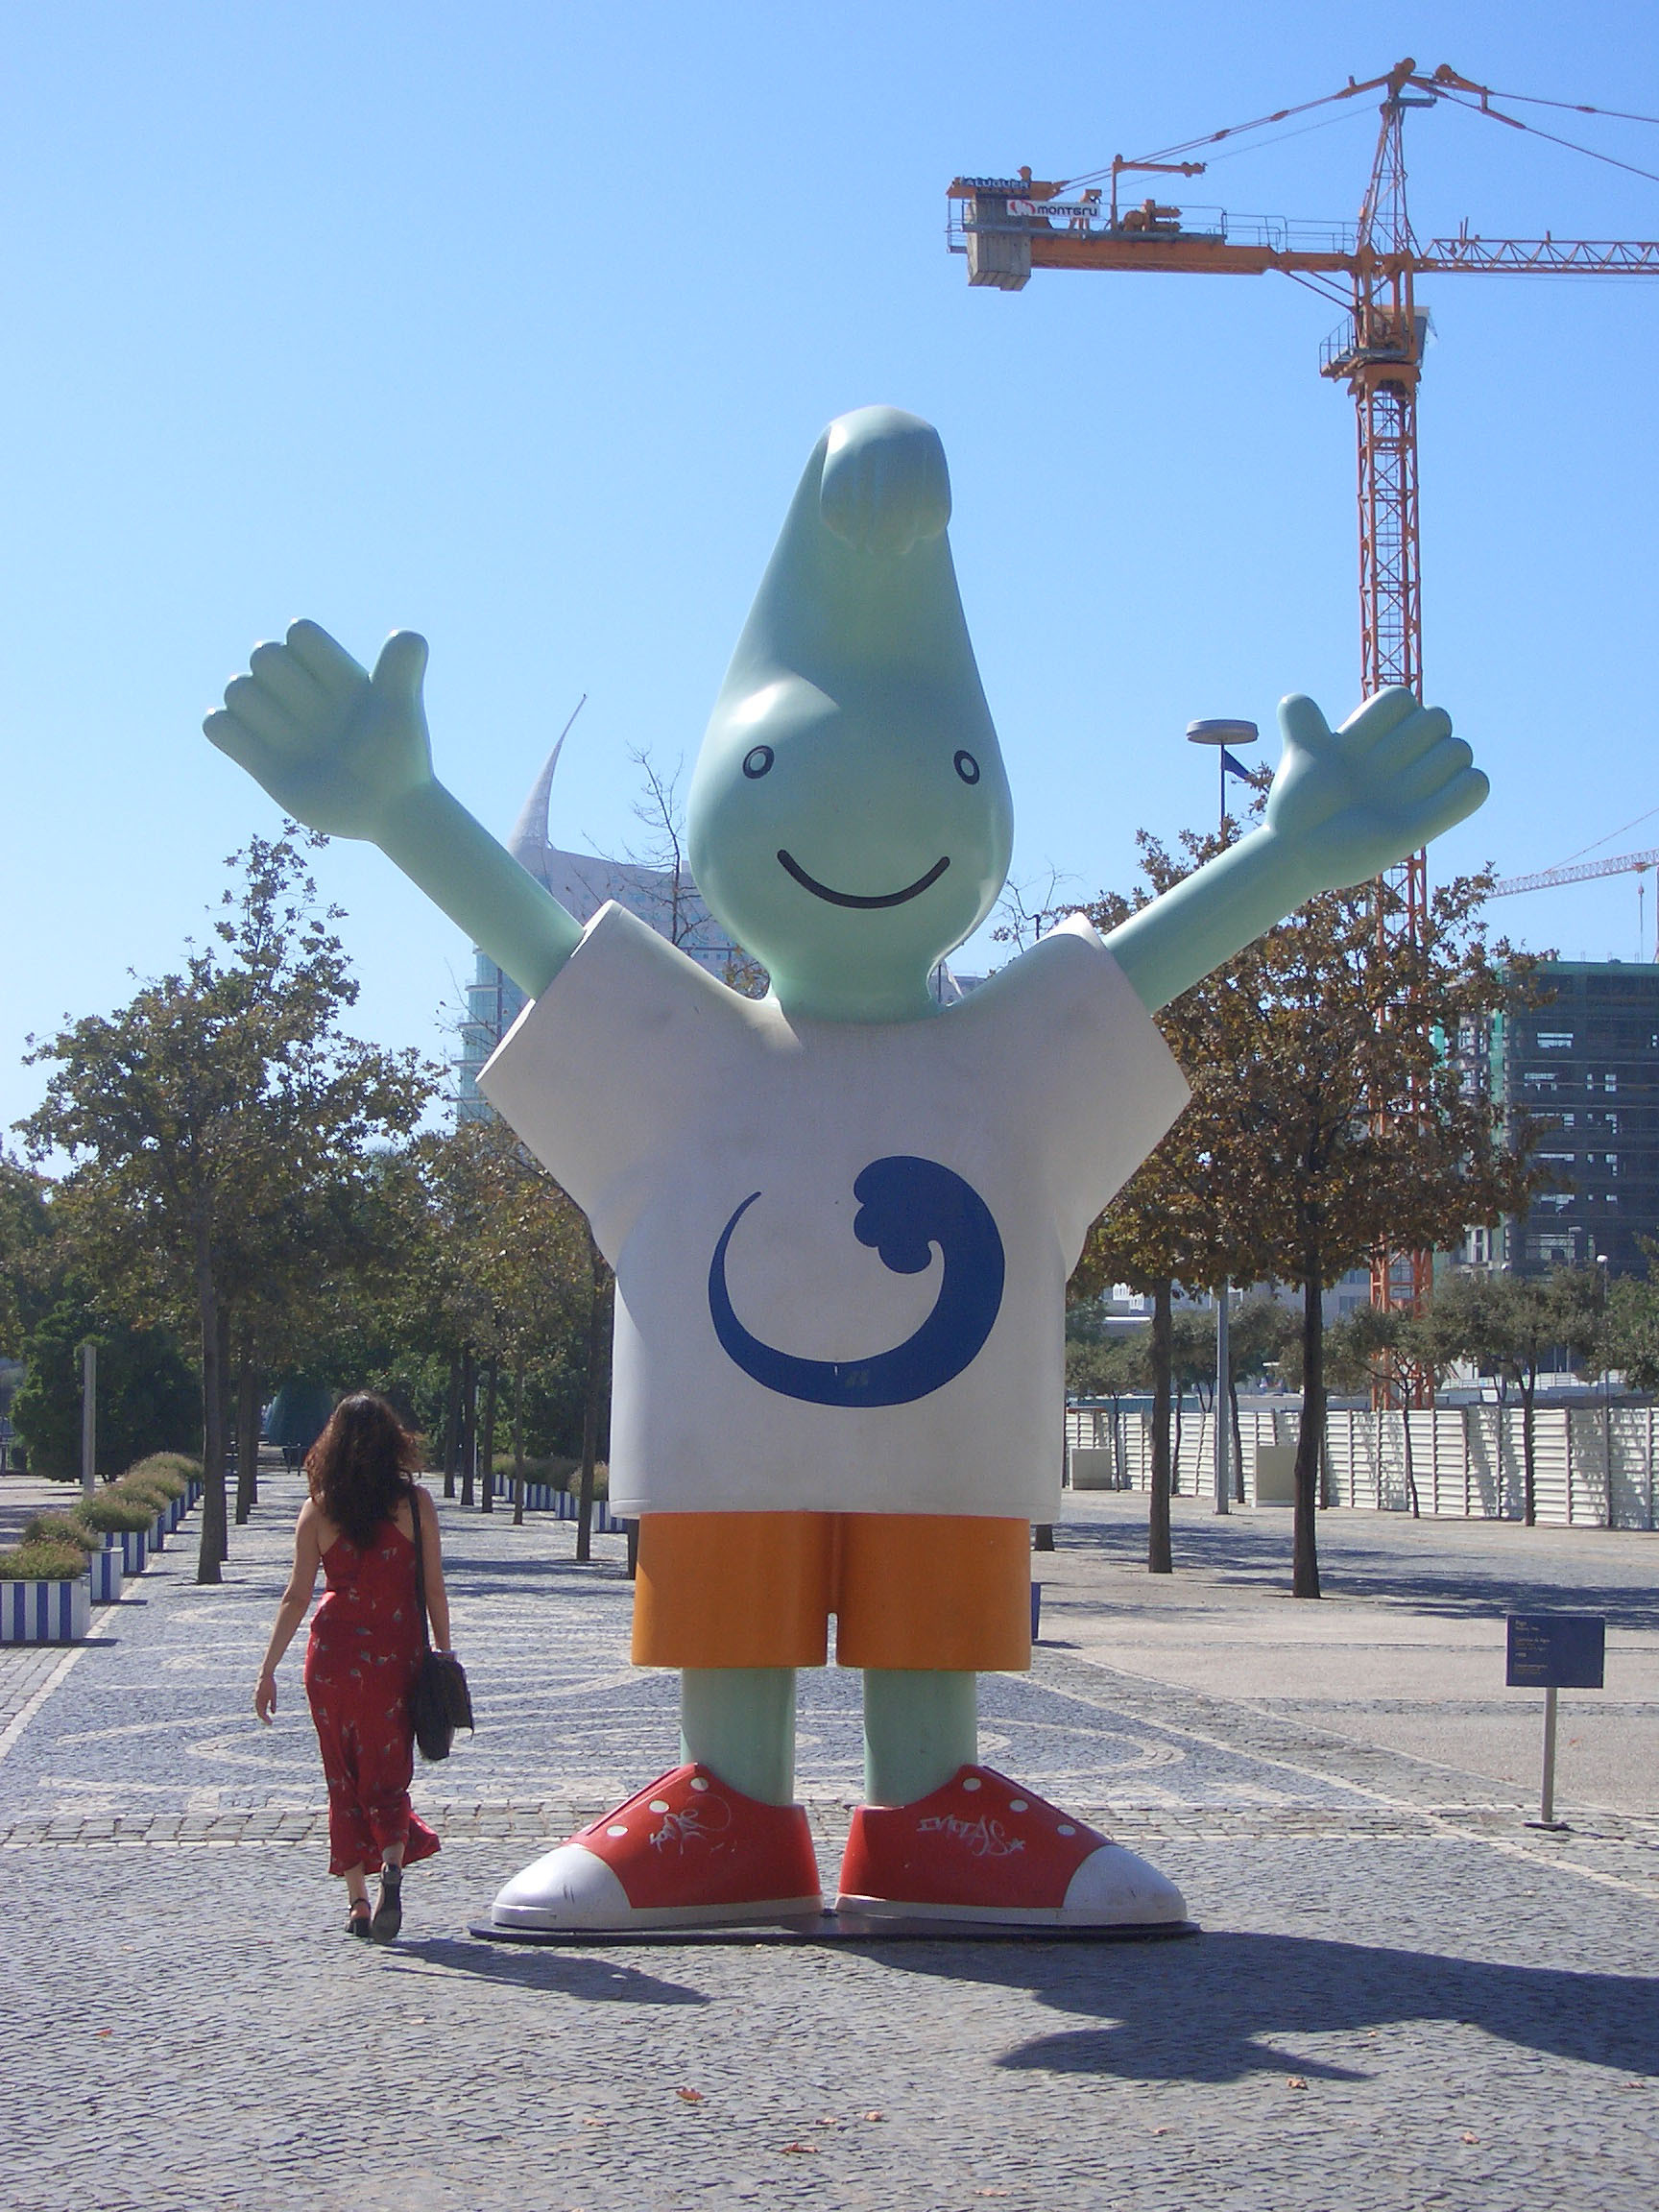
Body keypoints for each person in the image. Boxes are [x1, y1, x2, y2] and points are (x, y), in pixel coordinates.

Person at [254, 1393, 451, 1939]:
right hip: (397, 1652)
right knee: (388, 1769)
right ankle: (392, 1863)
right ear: (394, 1442)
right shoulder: (415, 1505)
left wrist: (267, 1669)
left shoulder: (319, 1509)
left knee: (342, 1776)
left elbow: (296, 1597)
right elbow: (433, 1586)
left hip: (333, 1659)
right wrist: (444, 1650)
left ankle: (359, 1902)